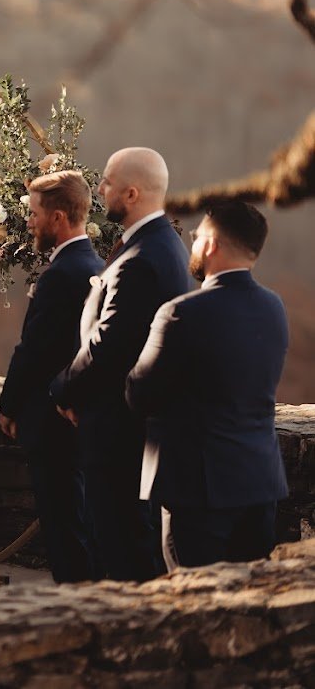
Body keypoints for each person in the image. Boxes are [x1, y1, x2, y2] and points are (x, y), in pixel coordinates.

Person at [50, 147, 190, 582]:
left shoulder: (142, 259)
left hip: (119, 433)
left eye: (107, 182)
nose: (99, 188)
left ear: (131, 193)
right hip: (123, 427)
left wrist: (63, 390)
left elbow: (109, 345)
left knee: (120, 554)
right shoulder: (155, 245)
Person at [127, 200, 288, 569]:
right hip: (259, 483)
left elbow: (140, 394)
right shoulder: (274, 307)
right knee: (250, 606)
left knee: (192, 605)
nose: (194, 244)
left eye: (197, 236)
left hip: (198, 491)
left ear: (211, 244)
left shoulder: (181, 312)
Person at [0, 171, 100, 583]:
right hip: (76, 415)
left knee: (63, 525)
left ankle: (73, 607)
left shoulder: (62, 274)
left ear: (58, 218)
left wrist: (8, 404)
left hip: (52, 420)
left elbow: (35, 351)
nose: (29, 222)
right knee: (76, 519)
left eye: (34, 213)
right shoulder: (93, 263)